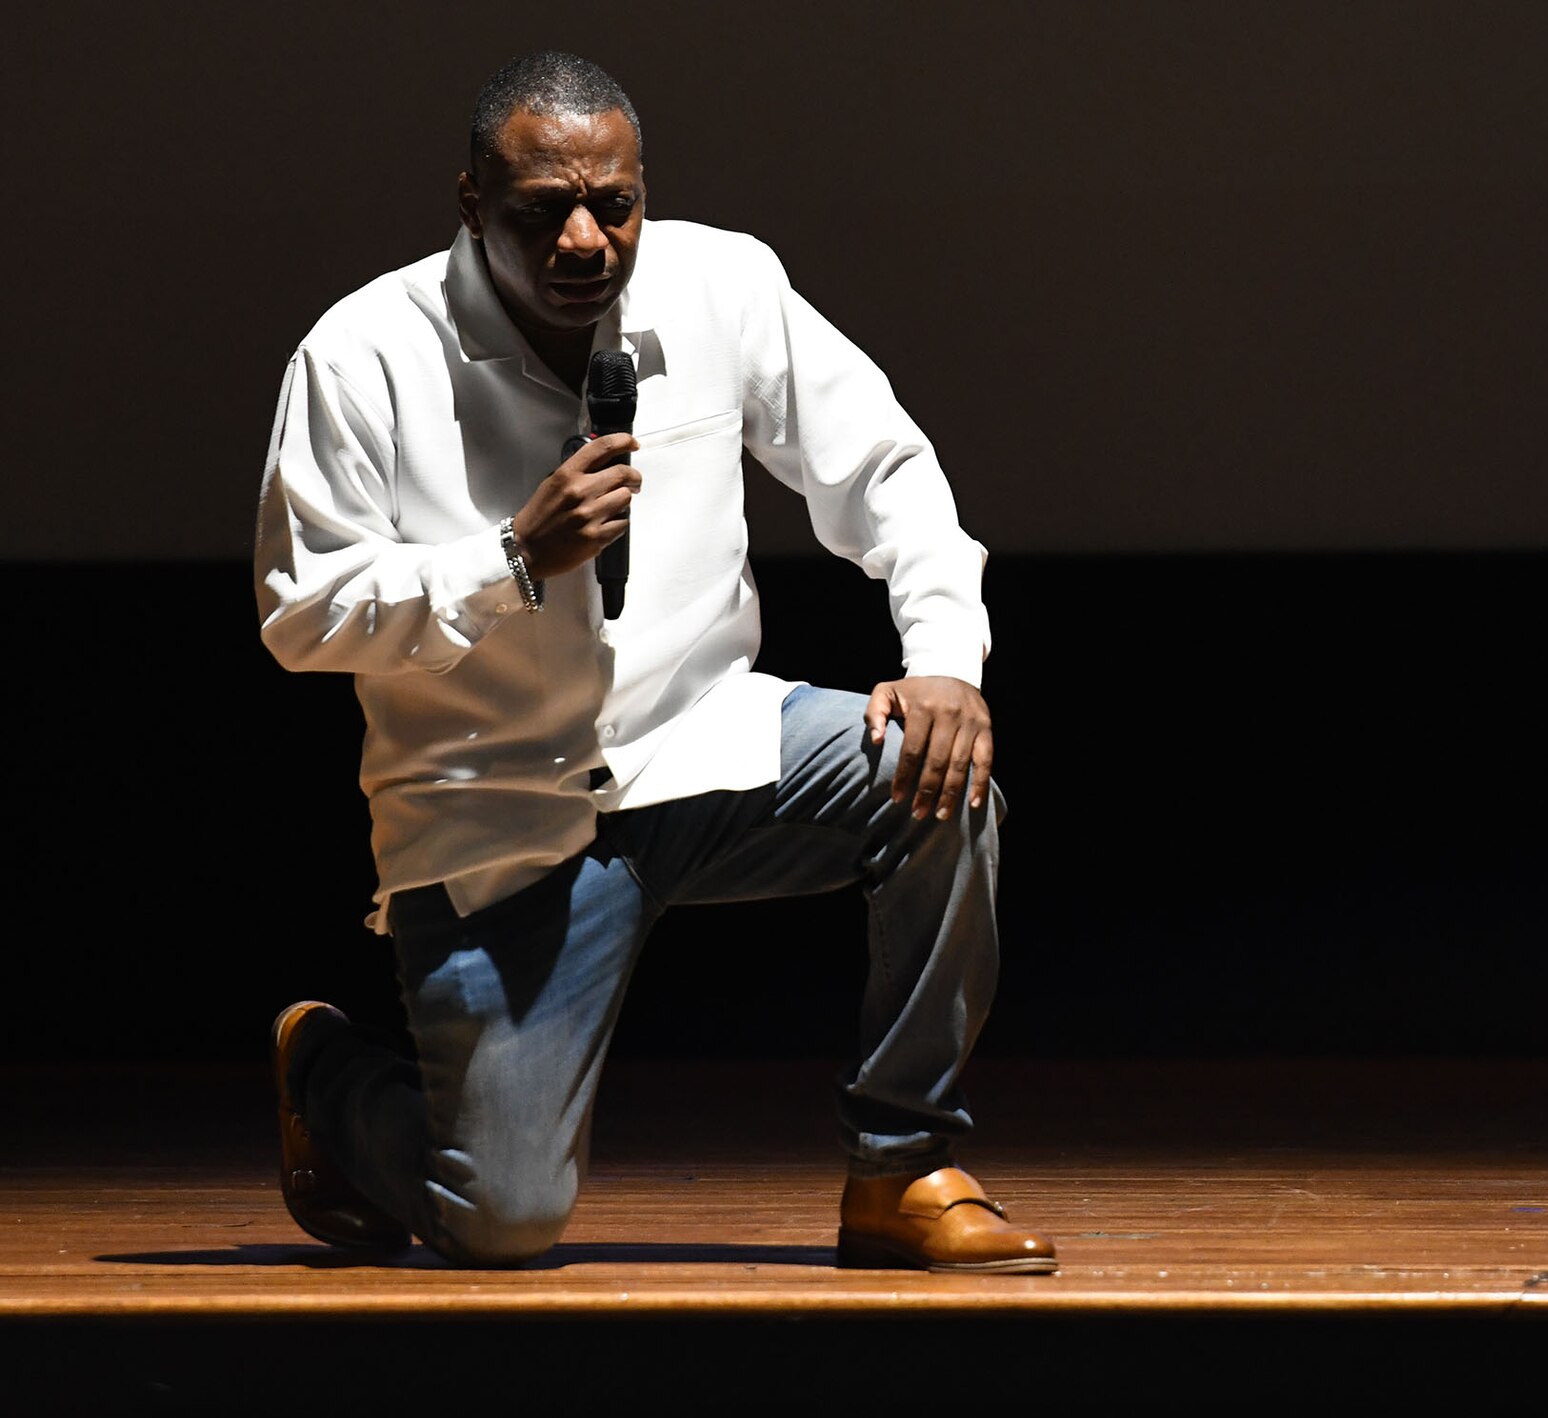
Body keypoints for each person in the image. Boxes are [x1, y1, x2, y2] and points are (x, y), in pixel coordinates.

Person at [253, 49, 1054, 1274]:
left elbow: (882, 466)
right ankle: (331, 1071)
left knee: (937, 775)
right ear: (472, 204)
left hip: (702, 746)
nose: (584, 240)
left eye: (612, 205)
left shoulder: (722, 283)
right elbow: (299, 611)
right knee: (502, 1220)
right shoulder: (362, 354)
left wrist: (943, 657)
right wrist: (511, 558)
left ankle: (903, 1162)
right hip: (495, 810)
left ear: (643, 191)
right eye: (540, 212)